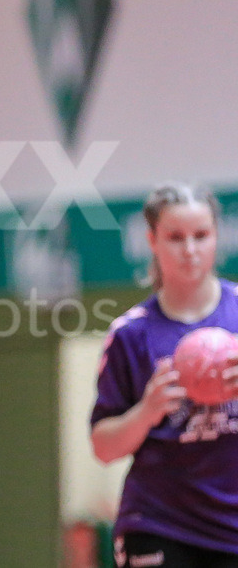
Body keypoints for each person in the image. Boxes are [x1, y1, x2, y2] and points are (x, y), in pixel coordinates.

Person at [91, 182, 238, 567]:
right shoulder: (131, 334)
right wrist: (147, 411)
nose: (190, 250)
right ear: (152, 240)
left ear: (216, 238)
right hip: (159, 522)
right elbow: (103, 447)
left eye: (201, 236)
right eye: (175, 237)